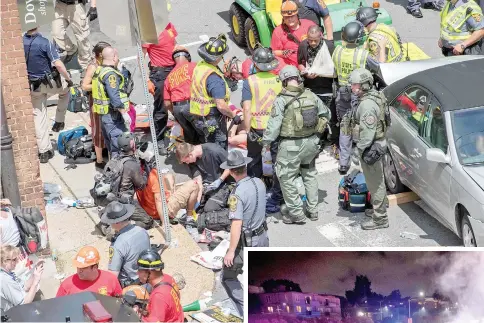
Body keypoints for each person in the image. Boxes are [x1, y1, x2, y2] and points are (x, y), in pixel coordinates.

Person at [262, 66, 330, 224]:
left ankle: (296, 213)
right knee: (310, 174)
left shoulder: (281, 100)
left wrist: (265, 143)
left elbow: (273, 128)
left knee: (286, 177)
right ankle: (313, 210)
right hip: (312, 143)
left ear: (285, 81)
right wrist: (318, 133)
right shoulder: (310, 95)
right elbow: (326, 113)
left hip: (290, 146)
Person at [332, 21, 384, 175]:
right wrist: (380, 47)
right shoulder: (363, 54)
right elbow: (380, 65)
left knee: (345, 126)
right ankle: (361, 156)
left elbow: (335, 71)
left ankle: (343, 163)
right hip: (359, 94)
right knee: (363, 125)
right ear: (359, 38)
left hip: (342, 93)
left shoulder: (337, 51)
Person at [220, 151, 268, 316]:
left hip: (248, 241)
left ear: (232, 172)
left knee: (228, 276)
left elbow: (236, 224)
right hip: (263, 236)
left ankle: (245, 310)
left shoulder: (236, 194)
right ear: (245, 167)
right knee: (257, 273)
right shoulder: (259, 183)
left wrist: (231, 251)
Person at [240, 46, 284, 213]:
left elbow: (246, 108)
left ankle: (253, 194)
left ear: (256, 64)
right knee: (277, 162)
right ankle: (277, 196)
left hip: (257, 128)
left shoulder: (249, 82)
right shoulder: (278, 80)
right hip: (276, 129)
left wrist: (247, 128)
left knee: (254, 161)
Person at [24, 26, 73, 163]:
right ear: (38, 26)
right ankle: (59, 121)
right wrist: (68, 79)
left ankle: (44, 151)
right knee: (66, 90)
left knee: (38, 116)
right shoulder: (44, 42)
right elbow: (58, 64)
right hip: (50, 83)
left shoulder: (21, 42)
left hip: (34, 86)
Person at [348, 68, 389, 230]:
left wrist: (358, 151)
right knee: (377, 180)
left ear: (365, 85)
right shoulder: (375, 95)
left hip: (371, 146)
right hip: (378, 143)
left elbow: (367, 133)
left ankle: (380, 219)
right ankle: (380, 208)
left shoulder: (367, 105)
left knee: (375, 183)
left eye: (355, 85)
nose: (353, 88)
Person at [190, 34, 241, 150]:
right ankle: (219, 168)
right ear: (218, 58)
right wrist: (233, 115)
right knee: (219, 149)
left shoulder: (200, 67)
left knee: (207, 147)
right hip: (212, 119)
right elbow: (221, 105)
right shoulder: (214, 78)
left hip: (198, 116)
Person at [136, 142, 200, 224]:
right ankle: (189, 217)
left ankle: (175, 200)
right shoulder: (153, 174)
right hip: (159, 211)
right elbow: (158, 199)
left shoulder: (138, 170)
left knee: (169, 176)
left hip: (147, 207)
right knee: (194, 185)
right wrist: (165, 223)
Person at [142, 23, 178, 155]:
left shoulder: (168, 25)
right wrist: (147, 80)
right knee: (161, 108)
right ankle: (159, 139)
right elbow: (141, 57)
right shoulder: (149, 32)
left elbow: (175, 43)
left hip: (173, 69)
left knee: (179, 101)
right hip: (160, 73)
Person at [100, 202, 150, 288]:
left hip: (130, 286)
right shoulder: (142, 231)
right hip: (146, 278)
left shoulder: (118, 244)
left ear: (116, 223)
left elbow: (113, 275)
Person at [92, 47, 131, 158]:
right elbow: (114, 97)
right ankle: (118, 172)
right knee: (118, 146)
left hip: (104, 115)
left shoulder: (99, 70)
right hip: (113, 116)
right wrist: (124, 113)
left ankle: (114, 168)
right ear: (114, 57)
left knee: (112, 145)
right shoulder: (110, 75)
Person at [114, 133, 154, 230]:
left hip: (113, 199)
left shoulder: (115, 159)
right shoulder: (131, 165)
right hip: (124, 202)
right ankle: (119, 228)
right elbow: (142, 185)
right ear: (132, 145)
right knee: (148, 221)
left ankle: (113, 222)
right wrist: (144, 171)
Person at [82, 41, 112, 169]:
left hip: (108, 100)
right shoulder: (93, 66)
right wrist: (99, 85)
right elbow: (84, 85)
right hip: (97, 102)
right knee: (99, 129)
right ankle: (99, 161)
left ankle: (108, 152)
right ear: (100, 54)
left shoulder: (107, 62)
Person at [163, 46, 200, 145]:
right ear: (187, 56)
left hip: (177, 109)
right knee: (204, 132)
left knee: (190, 137)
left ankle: (192, 157)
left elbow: (167, 103)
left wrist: (175, 113)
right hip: (192, 105)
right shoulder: (194, 66)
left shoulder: (169, 77)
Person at [135, 249, 184, 322]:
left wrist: (137, 316)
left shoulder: (159, 296)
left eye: (139, 270)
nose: (137, 273)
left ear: (149, 272)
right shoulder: (169, 278)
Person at [56, 246, 122, 297]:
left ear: (94, 267)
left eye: (83, 268)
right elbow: (57, 307)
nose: (79, 271)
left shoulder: (111, 280)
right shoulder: (67, 285)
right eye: (78, 267)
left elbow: (119, 302)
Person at [271, 0, 316, 66]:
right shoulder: (278, 31)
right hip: (292, 68)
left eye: (292, 16)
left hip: (312, 62)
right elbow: (273, 52)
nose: (290, 19)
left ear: (297, 15)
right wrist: (283, 53)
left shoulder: (309, 25)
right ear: (283, 18)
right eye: (286, 17)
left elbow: (321, 42)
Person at [1, 245, 43, 312]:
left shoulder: (8, 273)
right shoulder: (4, 280)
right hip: (12, 316)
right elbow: (24, 304)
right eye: (14, 259)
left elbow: (24, 286)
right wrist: (35, 282)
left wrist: (35, 272)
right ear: (5, 261)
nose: (17, 261)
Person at [51, 0, 92, 69]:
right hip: (60, 5)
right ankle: (72, 50)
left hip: (76, 6)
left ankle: (86, 64)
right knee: (56, 32)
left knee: (81, 38)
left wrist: (93, 6)